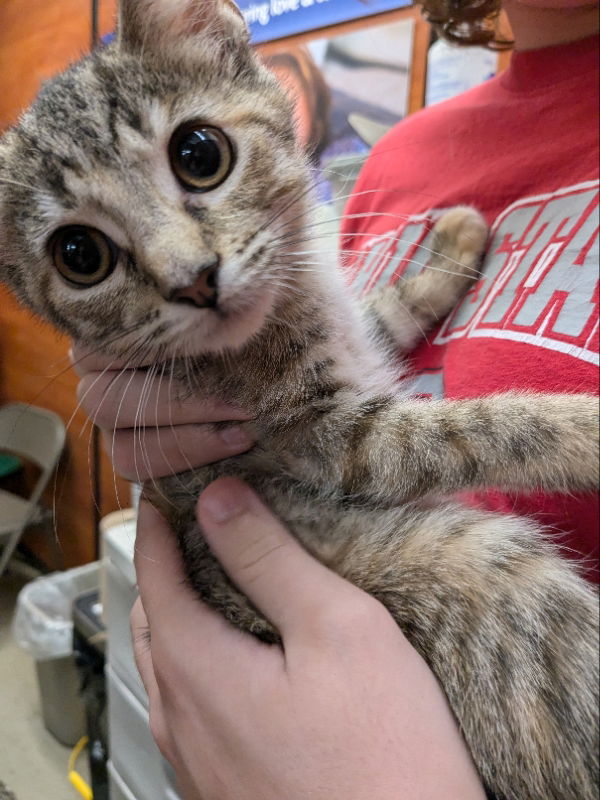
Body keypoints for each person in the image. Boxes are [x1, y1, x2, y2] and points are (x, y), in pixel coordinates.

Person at [74, 0, 599, 796]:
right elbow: (346, 380)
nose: (187, 269)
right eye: (81, 254)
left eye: (199, 155)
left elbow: (345, 421)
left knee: (507, 589)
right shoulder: (403, 160)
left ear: (219, 45)